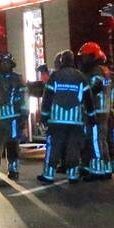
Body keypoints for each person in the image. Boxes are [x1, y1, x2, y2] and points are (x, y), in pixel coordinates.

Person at [38, 50, 95, 184]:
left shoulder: (55, 76)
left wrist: (44, 116)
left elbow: (47, 98)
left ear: (62, 61)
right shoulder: (81, 77)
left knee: (54, 146)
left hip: (57, 120)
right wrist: (91, 116)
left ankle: (48, 175)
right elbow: (88, 99)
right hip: (76, 120)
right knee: (73, 147)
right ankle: (73, 175)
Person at [0, 52, 28, 180]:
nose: (5, 65)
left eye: (7, 63)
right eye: (3, 63)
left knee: (12, 144)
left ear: (11, 64)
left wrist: (23, 115)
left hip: (14, 117)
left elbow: (23, 97)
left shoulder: (18, 78)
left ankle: (13, 169)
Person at [78, 42, 113, 180]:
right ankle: (106, 168)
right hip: (104, 110)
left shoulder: (96, 71)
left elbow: (91, 89)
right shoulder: (104, 70)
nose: (82, 60)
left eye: (85, 57)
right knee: (101, 140)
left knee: (95, 140)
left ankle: (97, 171)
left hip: (96, 111)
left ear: (92, 56)